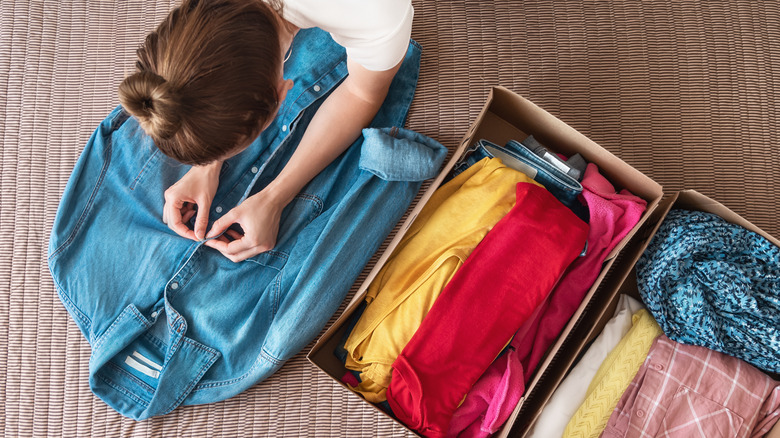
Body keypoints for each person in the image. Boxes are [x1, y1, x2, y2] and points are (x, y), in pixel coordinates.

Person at [118, 0, 413, 262]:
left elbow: (362, 94)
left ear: (282, 93)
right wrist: (206, 165)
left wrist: (276, 197)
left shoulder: (376, 14)